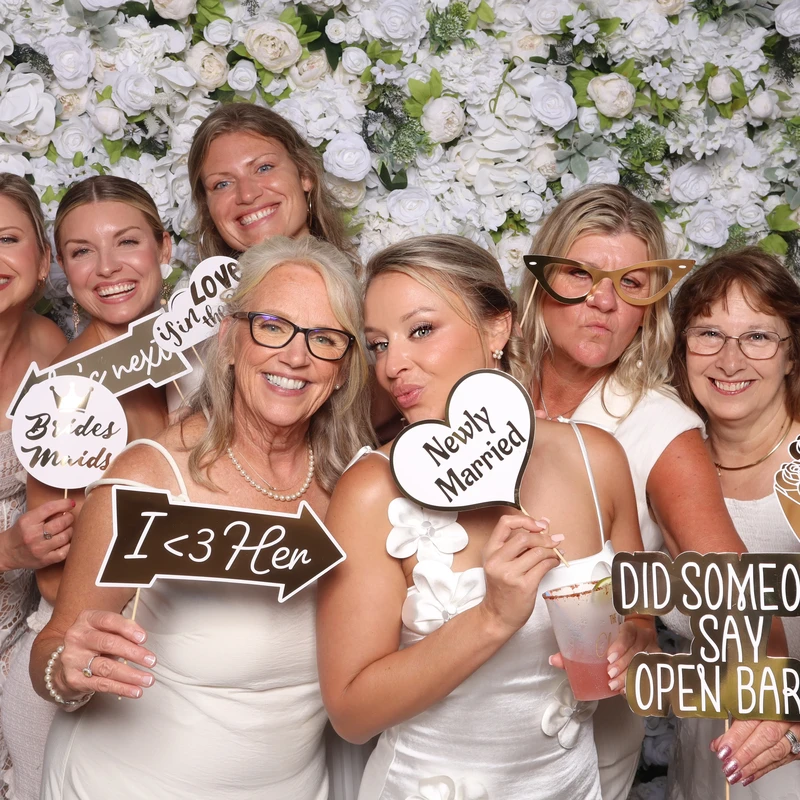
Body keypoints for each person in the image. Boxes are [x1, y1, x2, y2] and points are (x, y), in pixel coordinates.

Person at [30, 235, 372, 799]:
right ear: (230, 339)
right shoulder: (147, 480)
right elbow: (56, 646)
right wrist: (66, 669)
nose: (295, 355)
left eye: (325, 338)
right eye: (272, 325)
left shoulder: (355, 490)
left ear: (341, 370)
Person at [317, 235, 655, 799]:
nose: (393, 364)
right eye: (377, 344)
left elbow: (638, 607)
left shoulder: (596, 457)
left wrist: (638, 639)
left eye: (420, 329)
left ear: (498, 328)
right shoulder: (371, 491)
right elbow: (350, 714)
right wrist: (491, 618)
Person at [519, 184, 752, 799]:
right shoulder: (477, 387)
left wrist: (768, 698)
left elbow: (733, 587)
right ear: (542, 281)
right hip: (459, 712)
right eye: (580, 274)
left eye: (629, 284)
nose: (601, 302)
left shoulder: (658, 426)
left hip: (586, 731)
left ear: (649, 306)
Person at [2, 175, 173, 800]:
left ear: (166, 248)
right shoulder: (62, 394)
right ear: (62, 269)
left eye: (126, 242)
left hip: (181, 670)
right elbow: (52, 583)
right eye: (81, 251)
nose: (107, 269)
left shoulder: (218, 367)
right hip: (75, 674)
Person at [667, 247, 800, 798]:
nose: (729, 360)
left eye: (758, 336)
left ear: (792, 354)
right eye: (709, 334)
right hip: (706, 761)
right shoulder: (668, 467)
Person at [0, 174, 74, 797]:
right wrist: (7, 552)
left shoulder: (52, 353)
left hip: (21, 631)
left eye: (7, 238)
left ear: (43, 259)